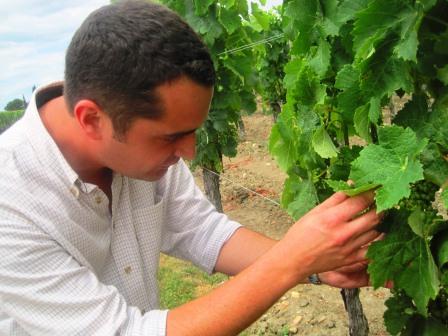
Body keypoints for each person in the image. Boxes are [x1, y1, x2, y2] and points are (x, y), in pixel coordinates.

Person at [0, 1, 383, 335]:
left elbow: (199, 229)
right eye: (171, 137)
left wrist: (313, 266)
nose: (189, 151)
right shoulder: (11, 204)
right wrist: (292, 259)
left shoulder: (141, 151)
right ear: (91, 119)